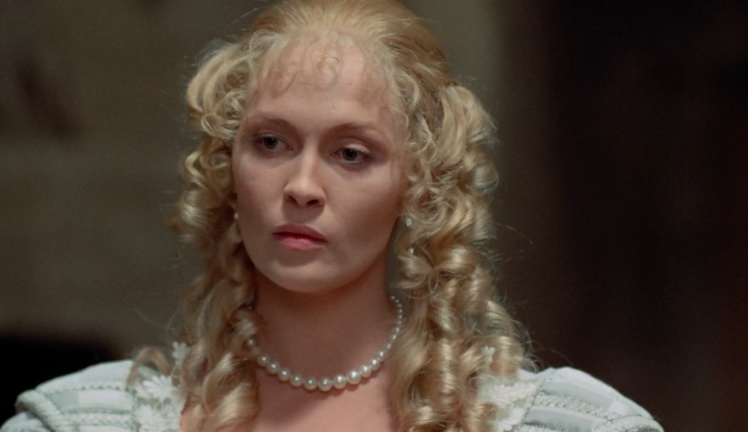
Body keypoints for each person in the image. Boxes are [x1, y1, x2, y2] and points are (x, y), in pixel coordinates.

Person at [1, 1, 664, 431]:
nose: (302, 186)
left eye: (351, 154)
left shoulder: (561, 424)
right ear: (227, 167)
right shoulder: (85, 422)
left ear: (417, 184)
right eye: (271, 143)